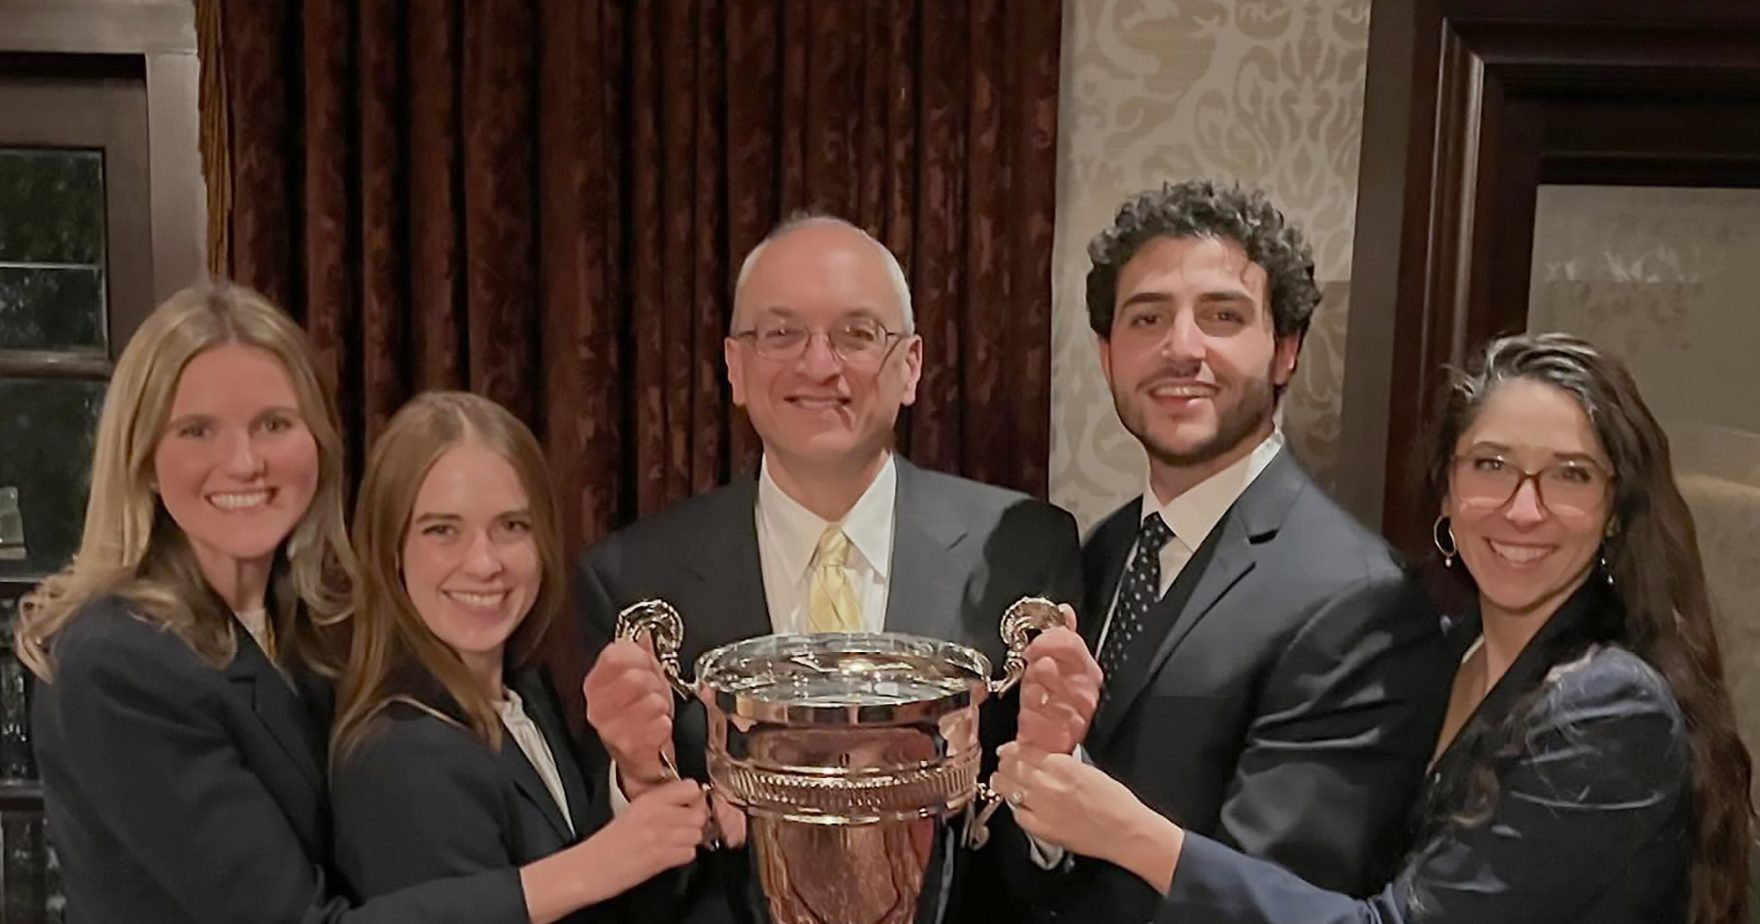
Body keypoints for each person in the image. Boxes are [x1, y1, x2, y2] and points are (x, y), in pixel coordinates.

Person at [995, 333, 1755, 924]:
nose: (1524, 508)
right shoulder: (1448, 645)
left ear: (1617, 507)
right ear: (1448, 488)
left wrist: (1132, 832)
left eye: (1570, 475)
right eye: (1491, 465)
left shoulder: (1608, 707)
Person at [16, 283, 664, 923]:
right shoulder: (115, 663)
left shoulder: (315, 627)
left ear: (318, 444)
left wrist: (636, 784)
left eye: (273, 424)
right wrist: (588, 868)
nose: (243, 462)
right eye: (197, 430)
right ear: (145, 460)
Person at [574, 213, 1086, 923]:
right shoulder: (631, 578)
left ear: (910, 367)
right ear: (734, 367)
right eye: (781, 333)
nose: (819, 365)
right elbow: (620, 901)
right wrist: (635, 779)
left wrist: (1054, 770)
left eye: (856, 334)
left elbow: (1040, 885)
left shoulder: (1025, 552)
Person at [1022, 181, 1454, 921]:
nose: (1180, 347)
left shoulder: (1361, 599)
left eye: (1222, 316)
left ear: (1284, 350)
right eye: (1147, 317)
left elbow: (1281, 897)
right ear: (1106, 354)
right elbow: (1069, 811)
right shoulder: (1105, 547)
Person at [329, 391, 708, 922]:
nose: (484, 563)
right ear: (392, 549)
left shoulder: (529, 695)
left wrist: (649, 795)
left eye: (512, 526)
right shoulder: (403, 754)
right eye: (443, 531)